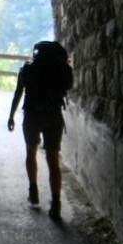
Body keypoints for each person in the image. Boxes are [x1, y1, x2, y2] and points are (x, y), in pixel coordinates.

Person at [7, 40, 73, 219]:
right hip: (54, 117)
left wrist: (11, 116)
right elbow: (68, 87)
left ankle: (33, 190)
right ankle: (56, 203)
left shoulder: (27, 70)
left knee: (31, 153)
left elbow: (18, 93)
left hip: (32, 116)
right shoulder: (61, 71)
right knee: (53, 161)